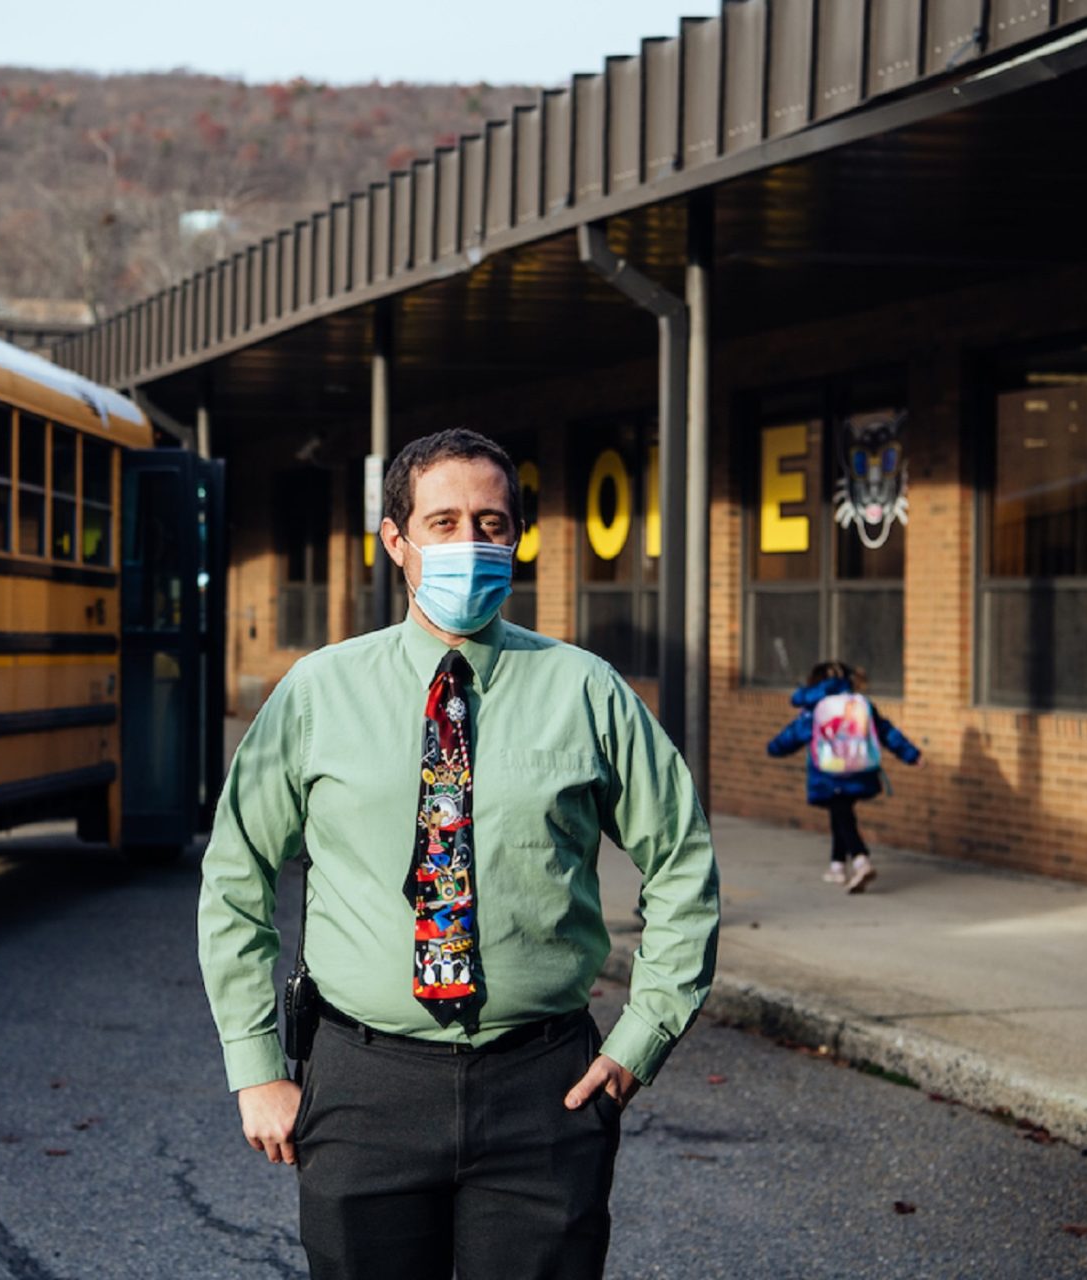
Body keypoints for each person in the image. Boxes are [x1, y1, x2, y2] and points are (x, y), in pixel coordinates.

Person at [197, 427, 720, 1280]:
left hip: (544, 1089)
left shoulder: (587, 692)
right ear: (396, 541)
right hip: (363, 1088)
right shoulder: (317, 693)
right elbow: (236, 876)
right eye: (443, 523)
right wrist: (256, 1065)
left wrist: (640, 1040)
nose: (470, 544)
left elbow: (683, 862)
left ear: (517, 537)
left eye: (492, 522)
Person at [764, 660, 922, 893]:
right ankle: (837, 866)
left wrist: (773, 748)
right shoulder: (860, 703)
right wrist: (912, 755)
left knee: (842, 813)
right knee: (841, 811)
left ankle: (860, 859)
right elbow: (886, 731)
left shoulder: (816, 706)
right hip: (860, 767)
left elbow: (793, 736)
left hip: (829, 771)